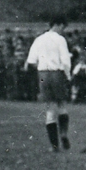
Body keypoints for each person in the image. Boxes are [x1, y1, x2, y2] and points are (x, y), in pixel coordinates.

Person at [25, 16, 73, 151]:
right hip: (57, 73)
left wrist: (42, 68)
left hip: (43, 74)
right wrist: (68, 76)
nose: (63, 30)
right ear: (57, 25)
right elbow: (65, 60)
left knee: (50, 109)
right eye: (63, 27)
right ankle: (63, 133)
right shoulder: (60, 40)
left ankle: (54, 145)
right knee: (62, 105)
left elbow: (31, 61)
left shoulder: (39, 39)